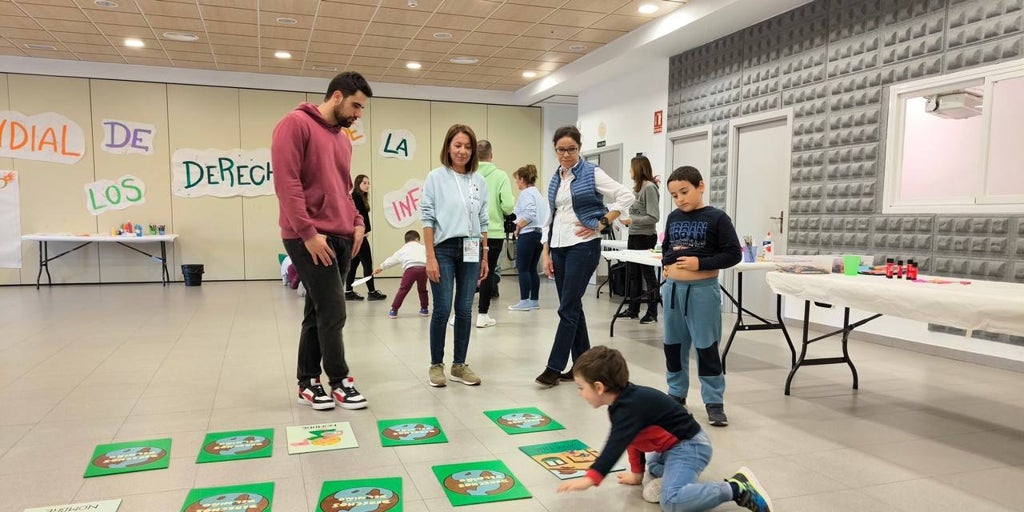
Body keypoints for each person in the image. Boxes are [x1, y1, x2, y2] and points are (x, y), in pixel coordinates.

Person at [556, 346, 773, 512]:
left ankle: (736, 488)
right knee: (654, 466)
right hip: (670, 449)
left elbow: (616, 444)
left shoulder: (628, 408)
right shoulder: (621, 403)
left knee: (671, 501)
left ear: (599, 387)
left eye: (581, 388)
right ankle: (680, 480)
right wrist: (637, 475)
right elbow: (632, 439)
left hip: (690, 446)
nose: (580, 394)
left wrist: (592, 477)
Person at [272, 71, 371, 411]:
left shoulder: (343, 139)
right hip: (310, 236)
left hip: (343, 235)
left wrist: (357, 222)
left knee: (317, 311)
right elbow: (287, 184)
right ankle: (339, 380)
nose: (359, 115)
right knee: (333, 309)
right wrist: (309, 234)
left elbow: (345, 189)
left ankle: (307, 381)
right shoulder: (294, 124)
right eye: (356, 106)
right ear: (337, 96)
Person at [535, 125, 634, 387]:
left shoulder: (592, 172)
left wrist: (603, 221)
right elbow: (550, 216)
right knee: (574, 307)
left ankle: (553, 367)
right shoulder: (556, 177)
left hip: (583, 246)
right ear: (555, 150)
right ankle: (585, 367)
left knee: (567, 308)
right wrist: (546, 252)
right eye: (561, 150)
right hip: (559, 247)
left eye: (572, 149)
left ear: (579, 148)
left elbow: (626, 195)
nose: (566, 154)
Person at [662, 166, 741, 426]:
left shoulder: (717, 218)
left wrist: (700, 263)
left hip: (702, 292)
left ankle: (714, 402)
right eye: (674, 195)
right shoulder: (673, 218)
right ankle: (676, 394)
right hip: (673, 290)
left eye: (684, 192)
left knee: (706, 347)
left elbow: (733, 254)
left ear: (701, 186)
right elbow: (667, 248)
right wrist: (666, 264)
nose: (680, 199)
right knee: (673, 345)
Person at [420, 124, 488, 388]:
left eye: (468, 147)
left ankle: (459, 365)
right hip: (443, 249)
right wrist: (430, 256)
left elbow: (483, 219)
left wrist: (484, 255)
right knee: (442, 308)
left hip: (471, 248)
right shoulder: (436, 178)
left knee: (464, 309)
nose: (463, 151)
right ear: (448, 147)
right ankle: (436, 365)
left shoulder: (479, 180)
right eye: (458, 145)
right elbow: (426, 218)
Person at [475, 140, 515, 328]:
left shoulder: (468, 174)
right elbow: (508, 205)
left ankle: (459, 314)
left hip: (470, 233)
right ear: (491, 156)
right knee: (488, 273)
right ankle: (482, 315)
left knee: (467, 273)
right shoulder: (500, 175)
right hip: (494, 233)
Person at [617, 155, 661, 324]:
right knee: (633, 274)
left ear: (638, 169)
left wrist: (632, 220)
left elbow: (653, 216)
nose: (629, 171)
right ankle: (633, 309)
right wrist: (623, 222)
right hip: (634, 235)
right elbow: (635, 212)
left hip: (645, 237)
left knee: (648, 275)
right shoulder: (636, 189)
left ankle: (652, 312)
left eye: (631, 168)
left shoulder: (649, 188)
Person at [507, 164, 548, 312]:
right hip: (539, 235)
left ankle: (524, 300)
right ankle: (534, 300)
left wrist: (518, 226)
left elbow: (529, 214)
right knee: (532, 269)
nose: (516, 183)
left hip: (528, 234)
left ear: (523, 179)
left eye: (517, 179)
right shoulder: (538, 194)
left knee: (523, 268)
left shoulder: (525, 194)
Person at [345, 174, 387, 301]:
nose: (367, 185)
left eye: (368, 183)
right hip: (359, 236)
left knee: (353, 265)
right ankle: (372, 291)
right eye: (365, 183)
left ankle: (348, 291)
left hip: (358, 236)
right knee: (367, 264)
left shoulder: (359, 197)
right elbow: (354, 216)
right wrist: (361, 231)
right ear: (358, 184)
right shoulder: (356, 197)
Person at [373, 230, 429, 319]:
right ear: (417, 239)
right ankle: (424, 309)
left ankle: (394, 310)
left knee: (403, 290)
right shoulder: (423, 247)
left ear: (406, 240)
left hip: (410, 270)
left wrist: (381, 267)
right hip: (423, 269)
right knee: (422, 289)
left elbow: (393, 260)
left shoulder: (403, 248)